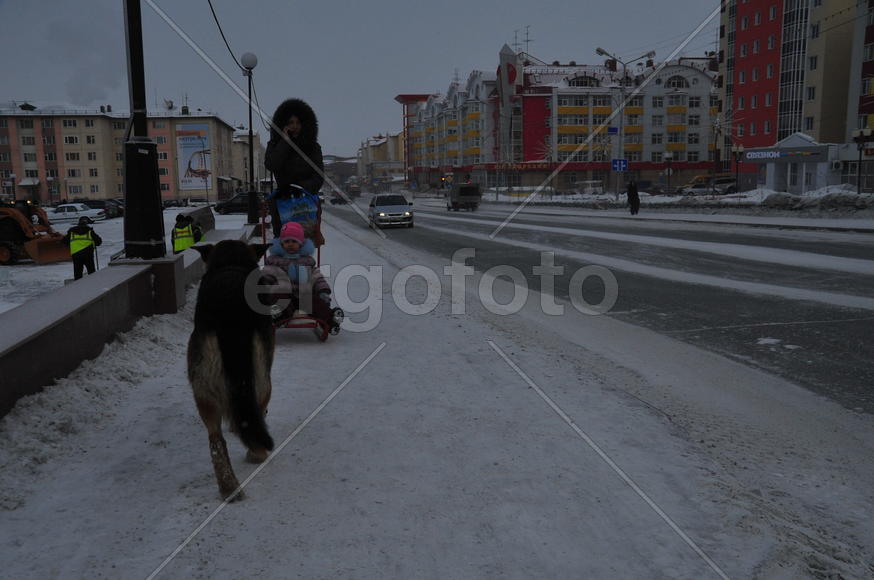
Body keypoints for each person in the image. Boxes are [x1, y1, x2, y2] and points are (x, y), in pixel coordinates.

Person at [263, 221, 343, 332]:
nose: (290, 244)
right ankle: (278, 314)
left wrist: (323, 291)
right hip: (284, 294)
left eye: (294, 241)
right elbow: (268, 275)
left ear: (301, 244)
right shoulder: (275, 260)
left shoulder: (307, 261)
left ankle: (331, 320)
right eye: (287, 241)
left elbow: (317, 277)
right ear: (281, 244)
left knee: (315, 302)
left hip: (303, 295)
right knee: (280, 298)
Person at [264, 98, 325, 244]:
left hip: (305, 201)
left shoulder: (313, 147)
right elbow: (272, 164)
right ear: (284, 125)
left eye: (298, 122)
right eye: (291, 122)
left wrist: (301, 188)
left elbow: (318, 176)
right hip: (282, 202)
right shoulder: (275, 144)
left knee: (303, 246)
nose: (295, 126)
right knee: (284, 244)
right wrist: (284, 142)